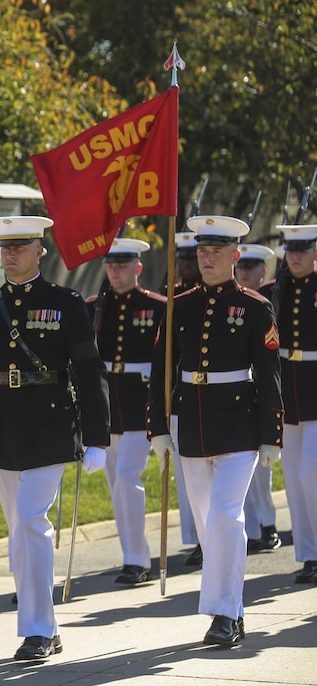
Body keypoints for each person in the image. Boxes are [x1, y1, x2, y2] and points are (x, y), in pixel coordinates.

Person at [0, 215, 109, 661]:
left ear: (40, 251)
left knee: (33, 523)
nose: (11, 254)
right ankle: (48, 627)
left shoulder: (67, 303)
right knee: (19, 532)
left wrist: (97, 437)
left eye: (21, 247)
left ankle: (35, 630)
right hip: (4, 428)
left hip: (52, 425)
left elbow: (89, 372)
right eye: (6, 247)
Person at [147, 215, 283, 646]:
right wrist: (159, 428)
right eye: (201, 253)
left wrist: (270, 433)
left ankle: (222, 615)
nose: (206, 260)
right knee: (209, 526)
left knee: (226, 517)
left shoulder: (255, 307)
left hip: (240, 426)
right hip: (194, 426)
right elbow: (161, 371)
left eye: (216, 253)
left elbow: (269, 374)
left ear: (234, 256)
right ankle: (235, 609)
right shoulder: (179, 306)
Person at [85, 238, 164, 585]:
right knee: (115, 482)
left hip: (138, 402)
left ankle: (137, 559)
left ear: (138, 268)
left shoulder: (158, 306)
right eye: (111, 265)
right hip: (106, 406)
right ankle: (131, 555)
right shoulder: (93, 307)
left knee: (126, 480)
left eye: (123, 265)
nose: (115, 271)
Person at [264, 224, 317, 584]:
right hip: (288, 393)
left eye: (302, 249)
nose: (295, 256)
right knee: (295, 479)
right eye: (290, 250)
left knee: (310, 473)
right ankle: (309, 554)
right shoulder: (272, 292)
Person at [236, 243, 283, 553]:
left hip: (266, 390)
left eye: (251, 269)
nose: (245, 273)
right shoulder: (236, 304)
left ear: (262, 272)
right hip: (241, 394)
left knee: (262, 471)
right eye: (242, 268)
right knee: (248, 476)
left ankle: (268, 525)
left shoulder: (265, 300)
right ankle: (253, 528)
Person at [166, 230, 203, 567]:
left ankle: (208, 541)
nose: (187, 265)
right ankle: (197, 539)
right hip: (180, 399)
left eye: (192, 258)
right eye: (183, 259)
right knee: (187, 480)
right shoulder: (174, 300)